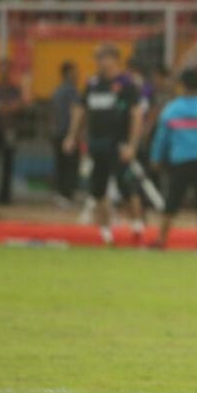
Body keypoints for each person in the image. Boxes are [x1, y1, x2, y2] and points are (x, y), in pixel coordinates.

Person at [63, 44, 145, 246]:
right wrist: (72, 136)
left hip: (119, 144)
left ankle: (137, 225)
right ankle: (106, 232)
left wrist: (132, 144)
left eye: (103, 58)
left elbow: (136, 115)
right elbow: (81, 110)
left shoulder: (126, 84)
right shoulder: (92, 84)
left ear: (115, 60)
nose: (100, 63)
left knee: (127, 187)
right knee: (98, 189)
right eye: (98, 59)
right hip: (97, 144)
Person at [149, 68, 197, 249]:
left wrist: (156, 157)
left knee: (172, 202)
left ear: (182, 85)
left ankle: (161, 239)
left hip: (181, 161)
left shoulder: (173, 108)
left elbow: (162, 137)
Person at [0, 58, 26, 205]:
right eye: (1, 68)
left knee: (8, 162)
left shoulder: (14, 89)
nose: (4, 71)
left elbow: (19, 105)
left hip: (9, 130)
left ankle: (4, 195)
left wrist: (3, 107)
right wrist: (7, 108)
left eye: (7, 68)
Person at [50, 61, 80, 206]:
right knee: (70, 166)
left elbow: (53, 113)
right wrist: (73, 134)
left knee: (60, 164)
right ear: (68, 73)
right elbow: (76, 111)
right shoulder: (72, 91)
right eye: (75, 72)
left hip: (57, 132)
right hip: (68, 133)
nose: (77, 75)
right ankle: (66, 195)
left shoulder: (57, 90)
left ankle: (60, 193)